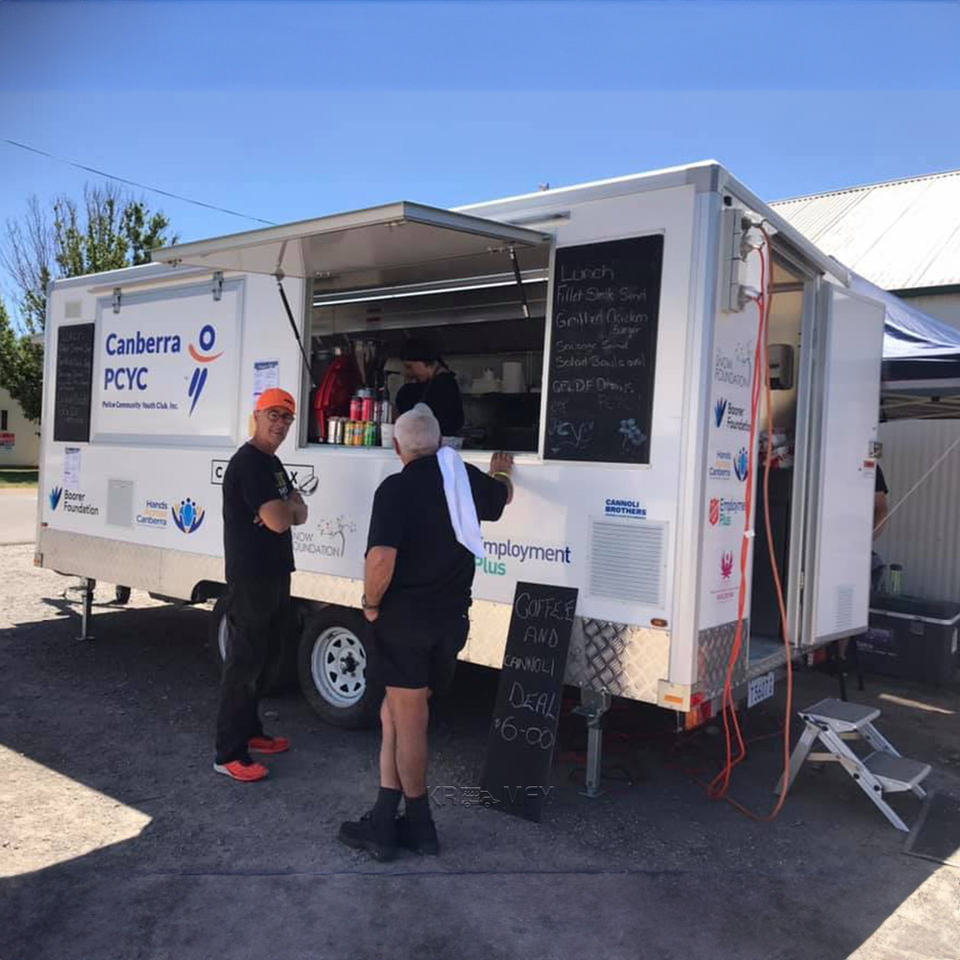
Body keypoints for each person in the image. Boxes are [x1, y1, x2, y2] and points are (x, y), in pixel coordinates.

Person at [338, 403, 513, 860]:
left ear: (398, 447)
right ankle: (383, 817)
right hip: (450, 623)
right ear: (439, 444)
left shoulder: (395, 489)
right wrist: (501, 473)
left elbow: (381, 560)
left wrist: (370, 604)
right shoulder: (463, 480)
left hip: (405, 624)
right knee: (393, 715)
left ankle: (420, 824)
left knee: (409, 721)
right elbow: (501, 498)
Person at [213, 388, 308, 782]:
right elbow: (283, 519)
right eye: (273, 415)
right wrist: (285, 510)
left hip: (275, 574)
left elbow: (298, 511)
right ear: (256, 416)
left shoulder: (273, 464)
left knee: (266, 660)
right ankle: (228, 754)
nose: (280, 424)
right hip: (251, 576)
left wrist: (284, 509)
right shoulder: (250, 463)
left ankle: (251, 732)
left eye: (287, 418)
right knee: (244, 665)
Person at [395, 337, 464, 441]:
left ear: (424, 362)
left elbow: (450, 423)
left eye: (409, 367)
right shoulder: (425, 385)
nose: (408, 373)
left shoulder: (444, 385)